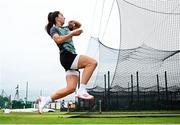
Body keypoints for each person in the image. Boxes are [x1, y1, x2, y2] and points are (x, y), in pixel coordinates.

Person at [37, 11, 97, 114]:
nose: (64, 17)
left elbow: (79, 26)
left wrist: (74, 23)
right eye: (62, 15)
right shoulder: (54, 29)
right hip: (67, 56)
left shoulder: (66, 28)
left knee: (70, 88)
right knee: (92, 63)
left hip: (69, 59)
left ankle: (46, 99)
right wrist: (72, 34)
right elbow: (58, 40)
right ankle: (82, 89)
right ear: (57, 18)